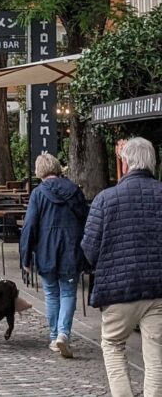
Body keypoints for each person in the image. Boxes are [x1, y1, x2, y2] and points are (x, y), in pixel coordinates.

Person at [81, 137, 162, 397]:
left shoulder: (106, 199)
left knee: (113, 345)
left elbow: (89, 248)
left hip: (118, 288)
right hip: (158, 288)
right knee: (156, 353)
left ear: (125, 164)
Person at [19, 154, 89, 358]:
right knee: (68, 292)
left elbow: (29, 226)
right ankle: (63, 333)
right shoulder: (74, 191)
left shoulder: (38, 194)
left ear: (39, 171)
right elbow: (86, 220)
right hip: (71, 248)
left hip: (46, 250)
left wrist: (26, 257)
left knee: (51, 293)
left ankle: (53, 336)